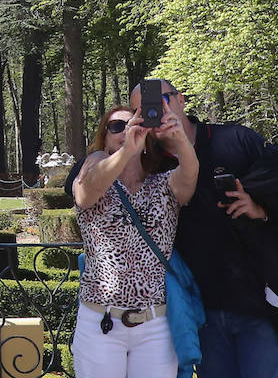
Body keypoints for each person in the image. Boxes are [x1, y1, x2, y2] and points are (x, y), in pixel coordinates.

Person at [129, 79, 278, 378]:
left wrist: (263, 208)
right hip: (201, 309)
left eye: (161, 100)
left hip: (260, 301)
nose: (154, 111)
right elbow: (84, 182)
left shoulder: (234, 140)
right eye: (141, 109)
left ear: (180, 99)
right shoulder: (145, 164)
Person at [68, 105, 199, 378]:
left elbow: (189, 177)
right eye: (116, 127)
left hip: (155, 326)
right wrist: (126, 150)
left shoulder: (163, 184)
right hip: (100, 322)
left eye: (133, 125)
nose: (125, 131)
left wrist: (180, 139)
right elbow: (85, 194)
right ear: (104, 138)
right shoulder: (91, 172)